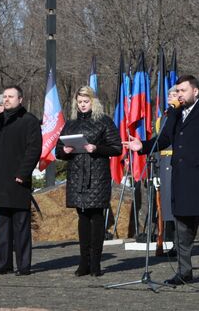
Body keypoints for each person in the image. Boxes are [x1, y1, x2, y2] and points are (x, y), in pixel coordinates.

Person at [124, 75, 199, 288]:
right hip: (181, 179)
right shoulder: (174, 113)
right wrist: (142, 146)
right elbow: (163, 140)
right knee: (183, 232)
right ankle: (184, 272)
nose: (179, 94)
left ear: (195, 91)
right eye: (177, 91)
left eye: (183, 90)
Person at [0, 86, 42, 276]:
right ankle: (4, 263)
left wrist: (23, 173)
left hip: (18, 180)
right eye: (4, 96)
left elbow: (33, 149)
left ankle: (23, 266)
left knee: (20, 224)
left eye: (10, 96)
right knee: (2, 224)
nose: (6, 99)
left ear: (20, 99)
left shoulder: (28, 121)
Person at [56, 86, 121, 277]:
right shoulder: (70, 124)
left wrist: (96, 148)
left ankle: (96, 263)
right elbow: (58, 150)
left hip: (97, 175)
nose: (82, 105)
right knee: (82, 216)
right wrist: (64, 152)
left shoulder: (104, 121)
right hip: (77, 175)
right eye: (80, 102)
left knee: (96, 216)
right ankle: (83, 262)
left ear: (93, 102)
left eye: (86, 102)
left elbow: (116, 148)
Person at [158, 86, 179, 256]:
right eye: (169, 95)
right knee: (166, 205)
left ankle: (179, 243)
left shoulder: (180, 116)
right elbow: (157, 143)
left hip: (175, 162)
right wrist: (156, 169)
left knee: (176, 204)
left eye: (174, 95)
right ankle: (170, 241)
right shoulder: (162, 118)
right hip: (164, 163)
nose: (170, 98)